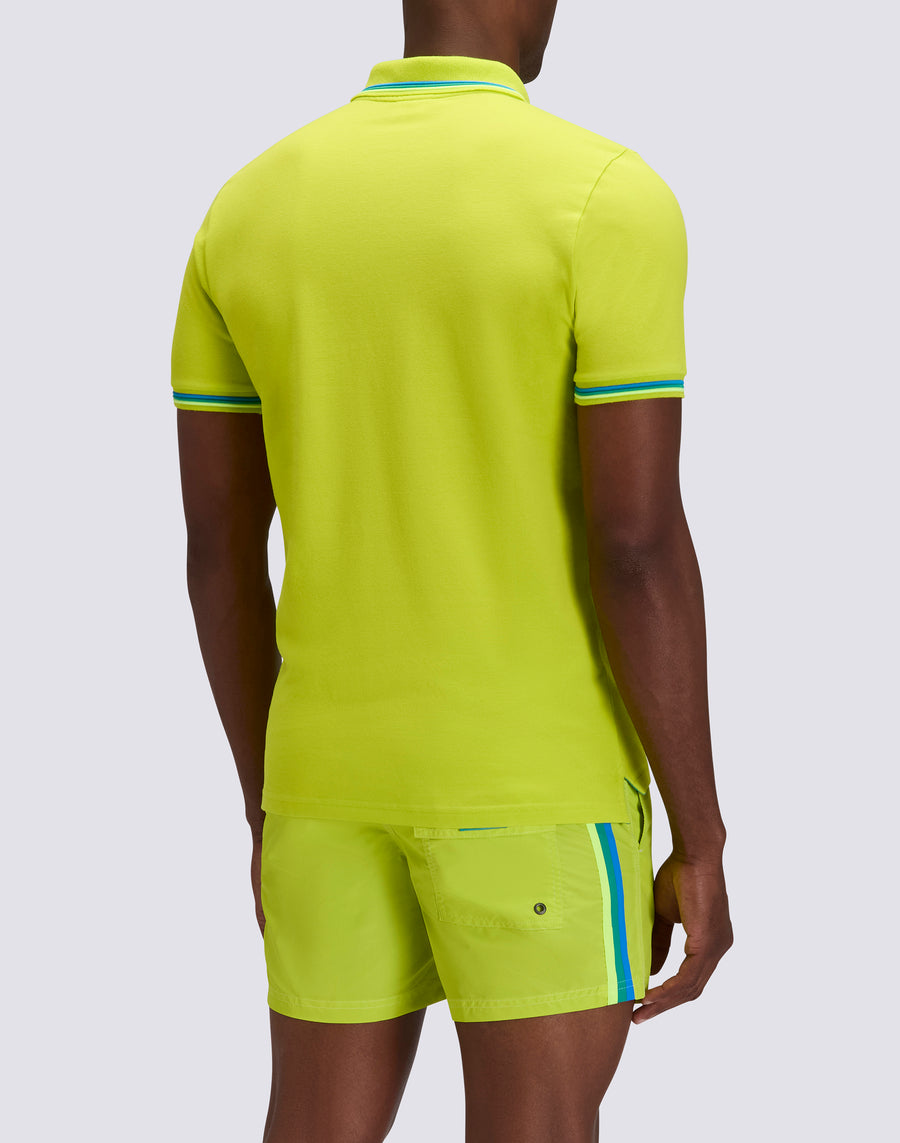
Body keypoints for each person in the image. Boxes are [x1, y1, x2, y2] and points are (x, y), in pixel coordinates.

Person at [171, 1, 733, 1139]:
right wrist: (703, 833)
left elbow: (220, 553)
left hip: (321, 785)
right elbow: (636, 543)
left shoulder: (248, 206)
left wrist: (267, 808)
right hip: (533, 788)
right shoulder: (603, 195)